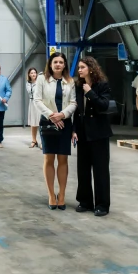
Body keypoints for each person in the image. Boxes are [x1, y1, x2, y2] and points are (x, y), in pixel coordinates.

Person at [34, 53, 77, 210]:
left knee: (63, 159)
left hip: (64, 123)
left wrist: (62, 115)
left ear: (64, 65)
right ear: (50, 64)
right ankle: (51, 195)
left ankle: (62, 194)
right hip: (48, 122)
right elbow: (37, 100)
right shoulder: (41, 79)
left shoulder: (70, 81)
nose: (58, 64)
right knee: (49, 158)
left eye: (61, 62)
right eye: (55, 62)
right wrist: (52, 115)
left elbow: (73, 102)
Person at [73, 56, 114, 217]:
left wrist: (90, 93)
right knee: (82, 169)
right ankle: (85, 201)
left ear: (91, 68)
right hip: (82, 132)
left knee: (100, 170)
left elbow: (104, 105)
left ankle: (102, 204)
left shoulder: (102, 85)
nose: (79, 70)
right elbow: (77, 110)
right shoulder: (78, 86)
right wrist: (74, 130)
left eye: (82, 67)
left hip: (99, 133)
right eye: (79, 68)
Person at [26, 68, 41, 148]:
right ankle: (34, 140)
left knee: (40, 123)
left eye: (34, 72)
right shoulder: (28, 83)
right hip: (32, 103)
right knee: (33, 123)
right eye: (31, 73)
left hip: (39, 103)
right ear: (29, 74)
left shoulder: (39, 82)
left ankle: (42, 142)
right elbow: (30, 91)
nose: (33, 74)